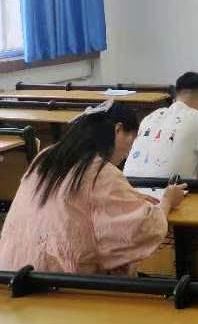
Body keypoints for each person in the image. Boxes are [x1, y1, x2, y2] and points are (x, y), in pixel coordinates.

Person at [0, 101, 187, 275]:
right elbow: (144, 229)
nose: (128, 152)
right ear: (118, 130)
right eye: (131, 141)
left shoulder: (46, 156)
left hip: (11, 270)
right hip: (56, 283)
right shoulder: (99, 172)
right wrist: (167, 201)